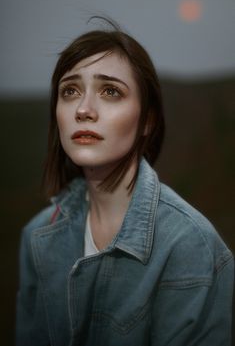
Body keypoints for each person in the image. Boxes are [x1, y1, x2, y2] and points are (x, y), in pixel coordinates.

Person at [16, 18, 234, 346]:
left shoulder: (191, 246)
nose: (84, 109)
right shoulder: (36, 236)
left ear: (148, 119)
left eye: (110, 91)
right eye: (70, 91)